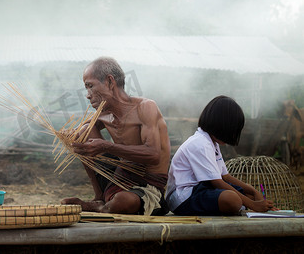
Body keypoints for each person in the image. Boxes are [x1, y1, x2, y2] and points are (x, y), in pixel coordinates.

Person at [61, 57, 171, 216]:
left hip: (147, 186)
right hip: (118, 182)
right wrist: (71, 137)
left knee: (122, 202)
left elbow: (153, 155)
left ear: (109, 82)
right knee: (83, 132)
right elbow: (79, 133)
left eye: (90, 86)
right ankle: (99, 197)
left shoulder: (145, 107)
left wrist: (106, 146)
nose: (87, 95)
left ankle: (100, 207)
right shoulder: (103, 114)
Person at [165, 95, 277, 216]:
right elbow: (217, 183)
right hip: (184, 197)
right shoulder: (200, 144)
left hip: (201, 190)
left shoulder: (212, 143)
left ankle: (243, 204)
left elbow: (226, 177)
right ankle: (240, 206)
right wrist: (254, 205)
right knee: (232, 199)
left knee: (247, 195)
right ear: (221, 126)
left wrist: (254, 192)